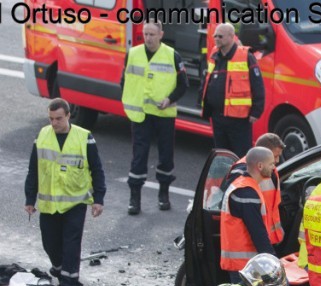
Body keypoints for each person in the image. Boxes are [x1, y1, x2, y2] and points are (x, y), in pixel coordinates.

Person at [24, 98, 106, 286]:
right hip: (50, 205)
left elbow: (96, 169)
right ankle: (61, 275)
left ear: (69, 116)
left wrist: (98, 199)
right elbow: (33, 169)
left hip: (75, 203)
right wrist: (29, 199)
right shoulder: (42, 135)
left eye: (59, 118)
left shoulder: (83, 137)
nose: (54, 123)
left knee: (71, 246)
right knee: (50, 245)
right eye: (51, 119)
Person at [121, 21, 187, 214]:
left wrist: (170, 99)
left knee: (166, 155)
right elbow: (124, 81)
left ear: (161, 34)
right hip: (140, 114)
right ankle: (135, 199)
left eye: (152, 34)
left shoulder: (172, 55)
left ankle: (163, 194)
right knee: (139, 156)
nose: (148, 38)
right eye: (145, 34)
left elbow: (183, 85)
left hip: (164, 114)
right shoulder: (133, 54)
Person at [202, 23, 265, 157]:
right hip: (217, 116)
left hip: (238, 119)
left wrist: (256, 112)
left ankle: (240, 178)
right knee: (221, 156)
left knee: (240, 156)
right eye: (215, 36)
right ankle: (225, 178)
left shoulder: (245, 56)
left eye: (220, 36)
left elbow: (258, 85)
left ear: (231, 37)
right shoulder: (215, 54)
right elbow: (208, 79)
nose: (216, 38)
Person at [220, 146, 278, 280]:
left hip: (241, 264)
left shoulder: (242, 185)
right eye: (271, 164)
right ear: (260, 166)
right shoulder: (247, 192)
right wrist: (273, 263)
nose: (273, 167)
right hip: (245, 266)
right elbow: (257, 232)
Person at [221, 133, 287, 245]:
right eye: (275, 156)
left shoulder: (270, 169)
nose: (277, 161)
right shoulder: (241, 172)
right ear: (263, 154)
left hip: (268, 238)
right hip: (252, 243)